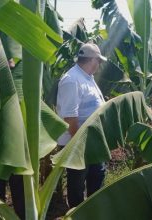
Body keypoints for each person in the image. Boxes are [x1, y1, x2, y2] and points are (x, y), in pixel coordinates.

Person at [56, 43, 107, 208]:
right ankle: (77, 212)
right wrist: (80, 145)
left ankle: (92, 210)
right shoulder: (72, 80)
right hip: (78, 142)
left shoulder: (87, 77)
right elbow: (70, 118)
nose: (99, 65)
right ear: (93, 60)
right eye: (99, 61)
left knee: (97, 176)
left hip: (92, 141)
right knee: (77, 182)